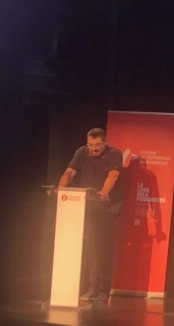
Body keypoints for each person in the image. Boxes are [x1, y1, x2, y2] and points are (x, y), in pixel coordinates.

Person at [56, 128, 123, 303]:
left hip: (108, 207)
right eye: (91, 145)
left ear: (105, 142)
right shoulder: (82, 152)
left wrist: (103, 193)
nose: (93, 149)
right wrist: (59, 189)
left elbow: (113, 175)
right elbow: (70, 172)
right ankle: (90, 289)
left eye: (98, 145)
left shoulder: (114, 153)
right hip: (87, 206)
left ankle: (103, 291)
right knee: (90, 248)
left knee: (103, 248)